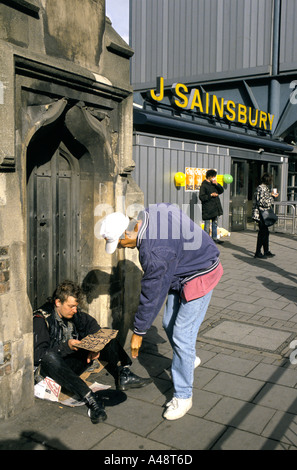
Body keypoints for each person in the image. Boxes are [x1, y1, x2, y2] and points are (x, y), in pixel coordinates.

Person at [99, 205, 223, 420]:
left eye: (119, 243)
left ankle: (183, 396)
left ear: (126, 233)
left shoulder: (154, 251)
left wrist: (139, 331)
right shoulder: (151, 212)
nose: (123, 248)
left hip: (201, 272)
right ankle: (188, 358)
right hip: (184, 267)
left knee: (182, 335)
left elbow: (152, 294)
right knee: (168, 324)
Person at [33, 280, 152, 424]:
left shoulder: (73, 313)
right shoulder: (41, 319)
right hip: (54, 370)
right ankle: (91, 399)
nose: (75, 310)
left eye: (76, 306)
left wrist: (95, 347)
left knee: (106, 334)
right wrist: (66, 347)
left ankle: (123, 373)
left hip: (71, 363)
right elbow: (39, 356)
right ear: (58, 302)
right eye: (71, 306)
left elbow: (92, 325)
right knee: (48, 356)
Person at [252, 173, 278, 259]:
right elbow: (263, 202)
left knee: (265, 232)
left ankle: (266, 251)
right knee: (262, 233)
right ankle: (258, 252)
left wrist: (270, 195)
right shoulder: (262, 188)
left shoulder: (262, 188)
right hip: (261, 214)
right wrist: (272, 197)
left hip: (260, 214)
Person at [199, 169, 224, 243]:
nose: (214, 178)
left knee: (215, 224)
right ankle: (206, 240)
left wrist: (217, 184)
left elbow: (221, 191)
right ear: (209, 176)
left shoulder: (214, 183)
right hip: (207, 208)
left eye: (215, 176)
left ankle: (214, 238)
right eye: (213, 176)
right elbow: (202, 197)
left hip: (215, 207)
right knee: (207, 225)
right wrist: (211, 195)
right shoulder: (204, 185)